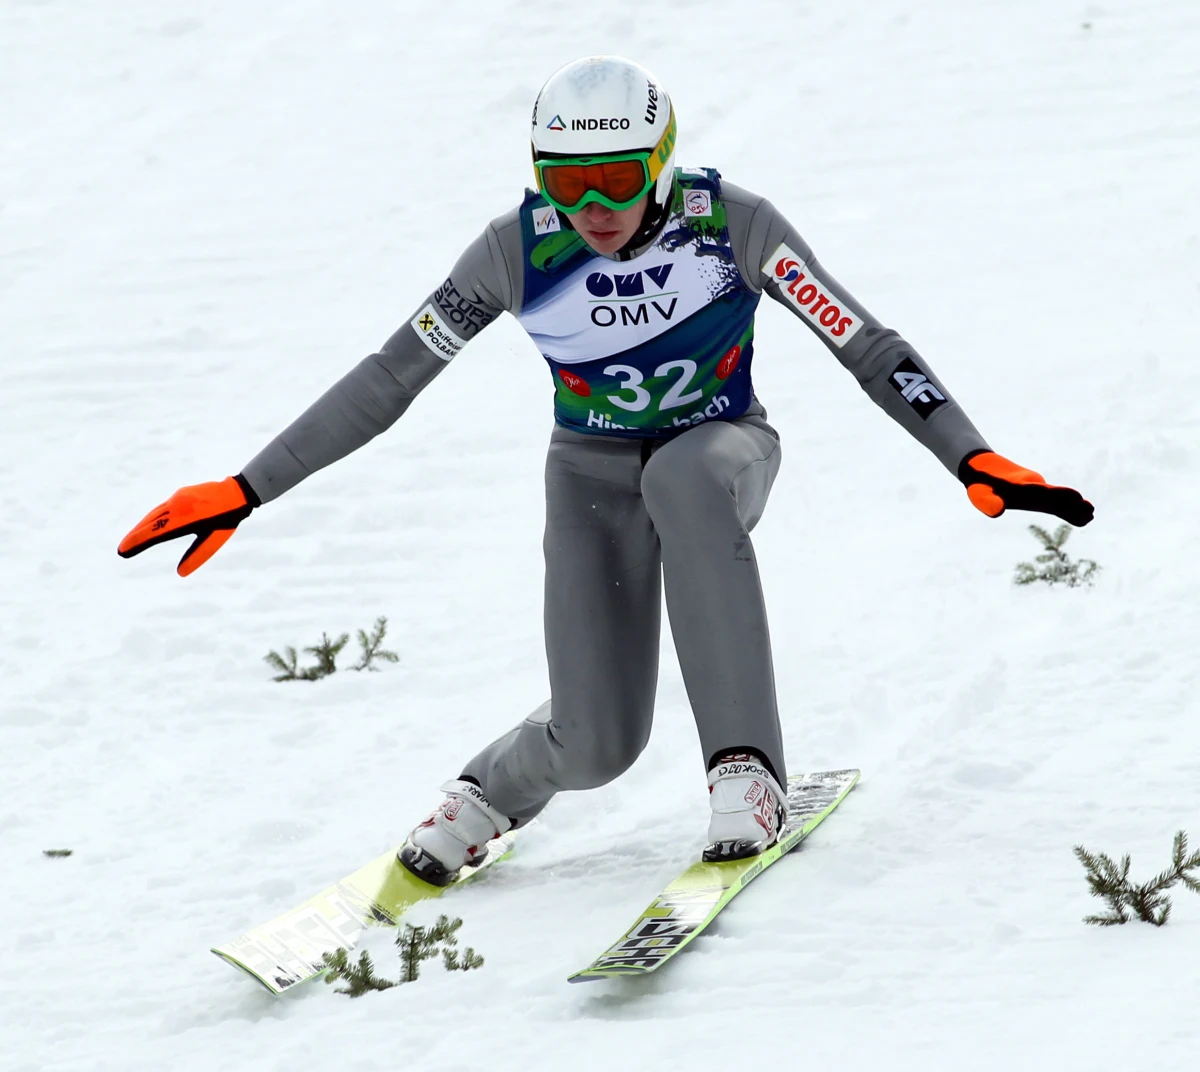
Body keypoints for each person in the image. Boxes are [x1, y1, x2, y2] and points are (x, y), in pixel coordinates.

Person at [118, 55, 1094, 882]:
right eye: (566, 182)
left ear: (661, 165)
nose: (593, 209)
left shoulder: (733, 224)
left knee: (682, 476)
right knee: (594, 744)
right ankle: (485, 794)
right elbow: (389, 377)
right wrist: (248, 488)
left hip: (721, 447)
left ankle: (744, 768)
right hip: (588, 476)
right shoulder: (516, 247)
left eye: (619, 180)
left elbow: (866, 344)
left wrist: (968, 451)